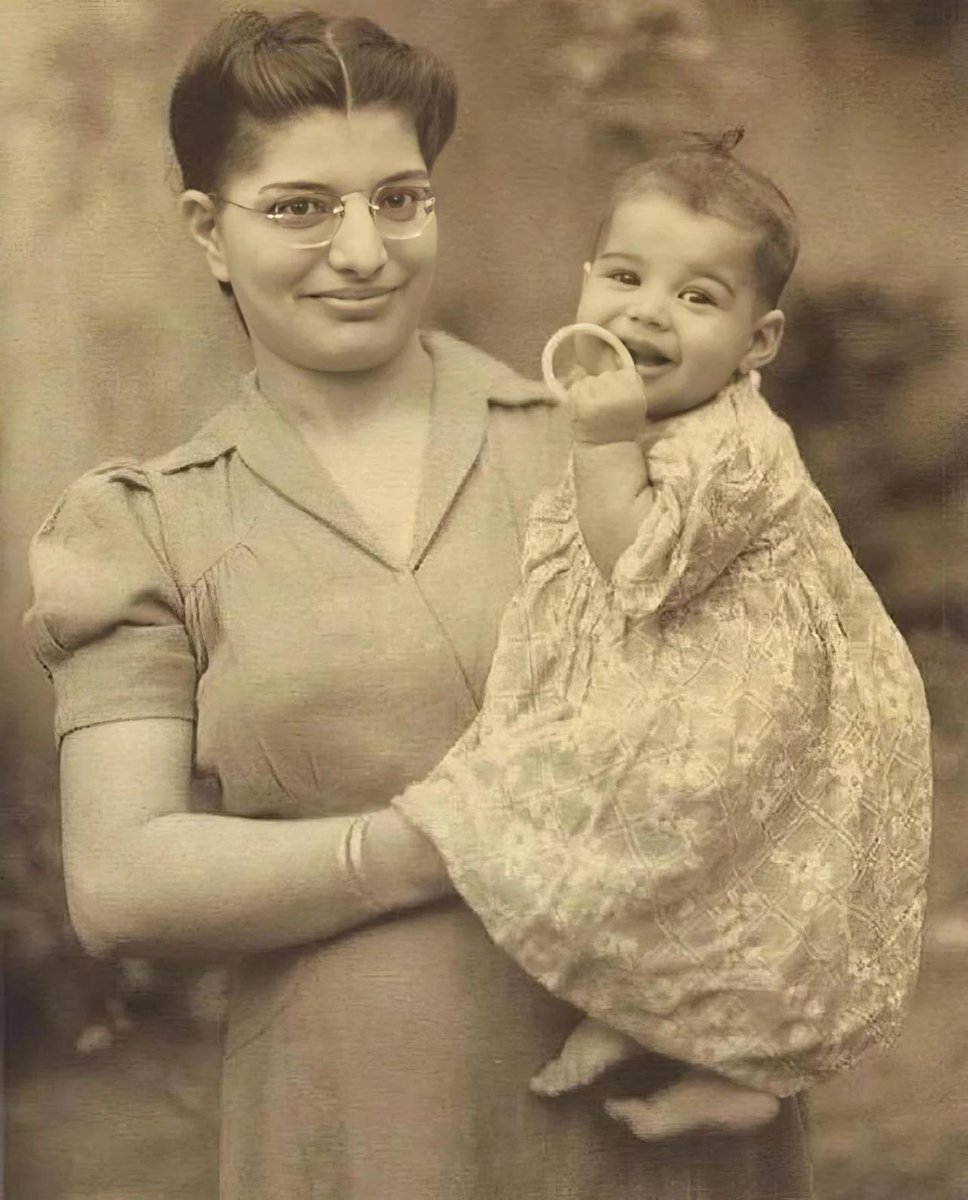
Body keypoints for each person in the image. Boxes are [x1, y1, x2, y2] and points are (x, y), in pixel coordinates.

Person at [25, 10, 816, 1199]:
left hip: (654, 1110)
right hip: (361, 1126)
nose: (363, 250)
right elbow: (124, 883)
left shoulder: (616, 450)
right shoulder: (144, 521)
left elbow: (799, 737)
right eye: (302, 208)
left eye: (399, 199)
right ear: (209, 230)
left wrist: (777, 1022)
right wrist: (439, 843)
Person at [390, 134, 934, 1140]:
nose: (646, 310)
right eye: (626, 276)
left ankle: (743, 1070)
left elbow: (636, 564)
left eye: (695, 297)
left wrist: (601, 443)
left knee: (669, 833)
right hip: (694, 669)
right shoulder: (662, 416)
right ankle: (643, 1015)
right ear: (585, 281)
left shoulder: (729, 446)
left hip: (748, 705)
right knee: (661, 853)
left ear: (755, 342)